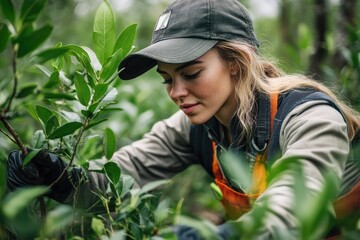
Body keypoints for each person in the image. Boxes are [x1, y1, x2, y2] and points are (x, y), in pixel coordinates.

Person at [6, 0, 360, 238]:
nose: (176, 92)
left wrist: (218, 235)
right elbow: (117, 181)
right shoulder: (195, 126)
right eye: (167, 79)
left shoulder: (309, 117)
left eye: (190, 73)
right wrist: (58, 178)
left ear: (236, 64)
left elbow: (293, 208)